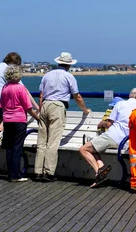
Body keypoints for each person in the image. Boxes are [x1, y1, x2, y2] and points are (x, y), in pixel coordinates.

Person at [36, 52, 91, 182]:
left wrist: (40, 108)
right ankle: (48, 172)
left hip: (45, 105)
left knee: (42, 141)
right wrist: (85, 109)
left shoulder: (47, 75)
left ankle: (38, 171)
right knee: (53, 141)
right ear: (69, 65)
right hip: (57, 106)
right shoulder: (69, 77)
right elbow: (77, 96)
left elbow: (41, 95)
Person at [79, 88, 136, 188]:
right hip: (126, 142)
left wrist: (101, 123)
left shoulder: (120, 104)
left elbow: (109, 124)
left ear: (130, 95)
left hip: (112, 136)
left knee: (83, 149)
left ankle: (98, 174)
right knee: (93, 144)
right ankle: (101, 167)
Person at [0, 65, 40, 182]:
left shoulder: (5, 87)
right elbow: (28, 107)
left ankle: (10, 173)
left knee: (9, 148)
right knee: (17, 148)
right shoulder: (20, 88)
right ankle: (16, 174)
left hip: (7, 120)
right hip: (19, 120)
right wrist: (37, 118)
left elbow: (1, 105)